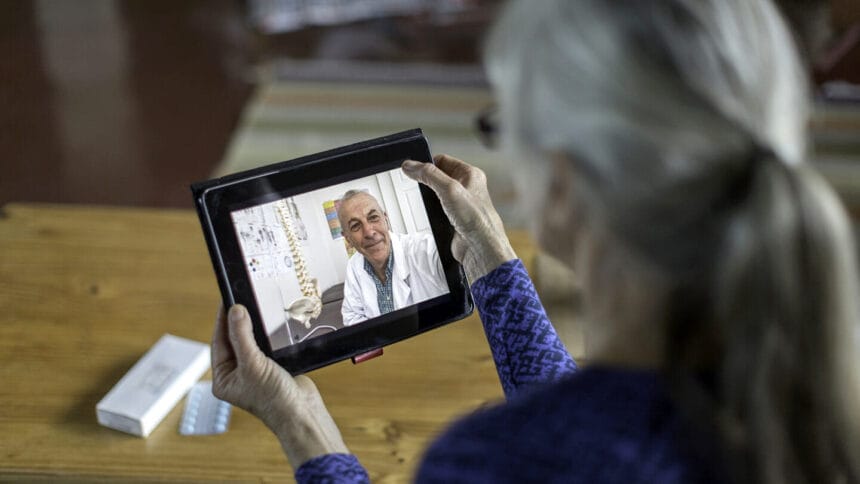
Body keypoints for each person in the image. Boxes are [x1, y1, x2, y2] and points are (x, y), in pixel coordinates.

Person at [210, 0, 860, 483]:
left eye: (504, 126)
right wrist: (493, 259)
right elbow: (597, 424)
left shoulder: (492, 460)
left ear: (561, 183)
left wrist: (305, 430)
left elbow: (574, 447)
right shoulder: (807, 381)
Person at [336, 189, 448, 326]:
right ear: (347, 238)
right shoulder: (354, 266)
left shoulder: (423, 248)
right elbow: (351, 317)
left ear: (386, 219)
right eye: (355, 226)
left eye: (373, 217)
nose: (369, 232)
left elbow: (454, 264)